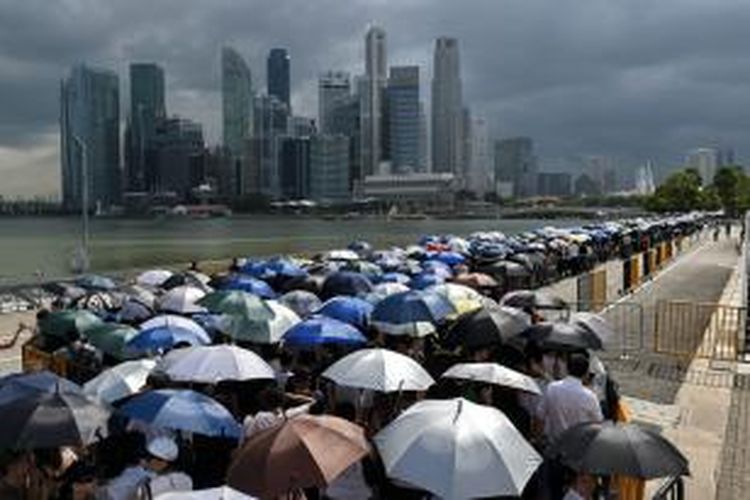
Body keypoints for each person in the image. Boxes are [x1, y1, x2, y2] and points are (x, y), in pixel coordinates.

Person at [97, 436, 191, 500]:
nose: (145, 460)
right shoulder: (187, 479)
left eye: (149, 457)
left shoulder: (149, 486)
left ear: (163, 462)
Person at [542, 353, 603, 443]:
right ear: (586, 373)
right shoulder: (590, 397)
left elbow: (539, 416)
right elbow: (598, 423)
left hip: (555, 444)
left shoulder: (552, 388)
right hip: (579, 446)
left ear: (567, 369)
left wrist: (538, 439)